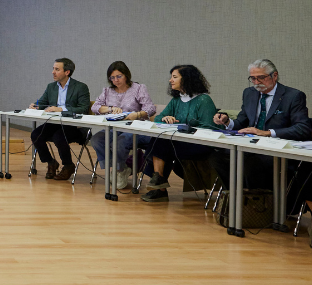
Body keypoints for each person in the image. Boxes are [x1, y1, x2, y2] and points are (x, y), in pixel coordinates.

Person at [210, 59, 310, 193]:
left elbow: (302, 128)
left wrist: (268, 133)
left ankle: (260, 205)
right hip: (251, 145)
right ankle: (237, 198)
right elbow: (242, 122)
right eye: (253, 78)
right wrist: (227, 121)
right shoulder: (249, 93)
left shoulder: (293, 96)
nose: (256, 83)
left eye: (261, 78)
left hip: (275, 149)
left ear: (274, 76)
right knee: (216, 157)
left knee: (250, 163)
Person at [140, 65, 218, 203]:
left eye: (174, 77)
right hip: (179, 142)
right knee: (161, 141)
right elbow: (158, 118)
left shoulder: (203, 100)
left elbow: (208, 128)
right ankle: (159, 180)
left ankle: (160, 187)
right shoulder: (177, 100)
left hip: (200, 144)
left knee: (161, 143)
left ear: (187, 79)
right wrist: (165, 119)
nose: (170, 80)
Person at [90, 61, 158, 191]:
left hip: (136, 128)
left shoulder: (138, 88)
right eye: (112, 77)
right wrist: (110, 109)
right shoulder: (107, 91)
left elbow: (150, 108)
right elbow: (95, 107)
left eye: (119, 76)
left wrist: (137, 114)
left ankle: (119, 169)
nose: (116, 80)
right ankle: (119, 168)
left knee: (120, 142)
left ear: (126, 75)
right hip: (114, 127)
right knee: (97, 140)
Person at [28, 58, 92, 182]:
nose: (53, 72)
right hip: (55, 123)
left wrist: (61, 109)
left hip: (74, 126)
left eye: (57, 69)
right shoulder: (51, 87)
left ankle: (68, 165)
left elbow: (83, 108)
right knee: (36, 134)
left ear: (67, 72)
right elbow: (42, 102)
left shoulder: (80, 87)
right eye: (53, 69)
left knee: (59, 136)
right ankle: (51, 162)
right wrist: (35, 106)